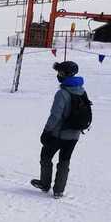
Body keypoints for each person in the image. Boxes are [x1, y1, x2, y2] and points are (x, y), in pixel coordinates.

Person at [31, 61, 88, 198]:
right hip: (74, 134)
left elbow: (55, 116)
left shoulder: (62, 93)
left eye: (60, 73)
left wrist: (46, 131)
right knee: (64, 160)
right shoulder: (82, 90)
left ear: (67, 74)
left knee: (45, 156)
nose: (58, 75)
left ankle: (45, 184)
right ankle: (59, 190)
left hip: (59, 134)